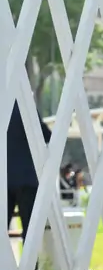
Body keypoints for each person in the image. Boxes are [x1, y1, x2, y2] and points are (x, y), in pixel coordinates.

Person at [7, 101, 52, 240]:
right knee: (30, 230)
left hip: (4, 178)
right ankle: (30, 262)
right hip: (27, 177)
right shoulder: (24, 104)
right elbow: (45, 135)